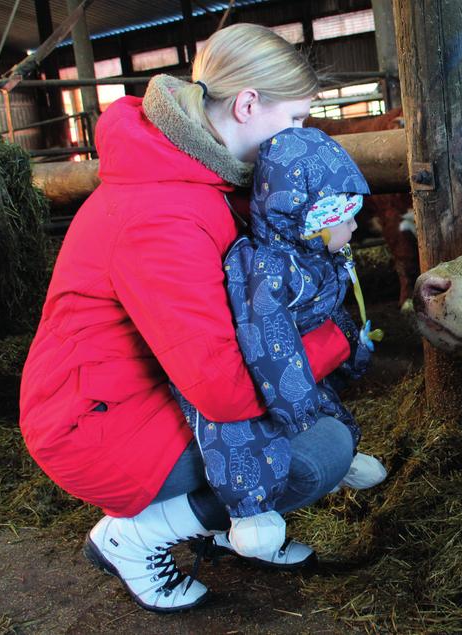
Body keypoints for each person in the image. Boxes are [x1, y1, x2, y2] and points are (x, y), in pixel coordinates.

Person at [19, 24, 364, 613]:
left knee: (297, 418)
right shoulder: (162, 217)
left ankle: (229, 523)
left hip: (145, 388)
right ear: (248, 105)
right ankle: (131, 538)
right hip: (94, 425)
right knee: (321, 450)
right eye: (297, 121)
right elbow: (228, 391)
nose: (302, 139)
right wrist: (335, 339)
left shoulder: (204, 176)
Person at [172, 125, 387, 564]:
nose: (354, 226)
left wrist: (354, 347)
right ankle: (249, 515)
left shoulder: (313, 255)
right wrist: (300, 408)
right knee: (244, 434)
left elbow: (326, 314)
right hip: (246, 377)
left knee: (315, 399)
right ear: (312, 223)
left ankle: (340, 457)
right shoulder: (267, 272)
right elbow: (271, 346)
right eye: (344, 218)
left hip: (291, 369)